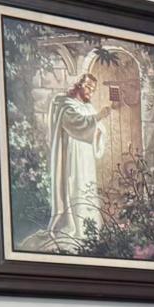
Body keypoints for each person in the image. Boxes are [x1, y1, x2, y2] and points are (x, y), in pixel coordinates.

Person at [46, 71, 106, 246]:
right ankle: (75, 229)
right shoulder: (64, 104)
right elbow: (75, 122)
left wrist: (99, 131)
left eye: (93, 89)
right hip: (72, 156)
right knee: (74, 186)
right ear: (78, 85)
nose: (90, 92)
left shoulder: (88, 107)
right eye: (88, 87)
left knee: (86, 187)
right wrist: (98, 117)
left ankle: (89, 230)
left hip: (86, 157)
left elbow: (98, 128)